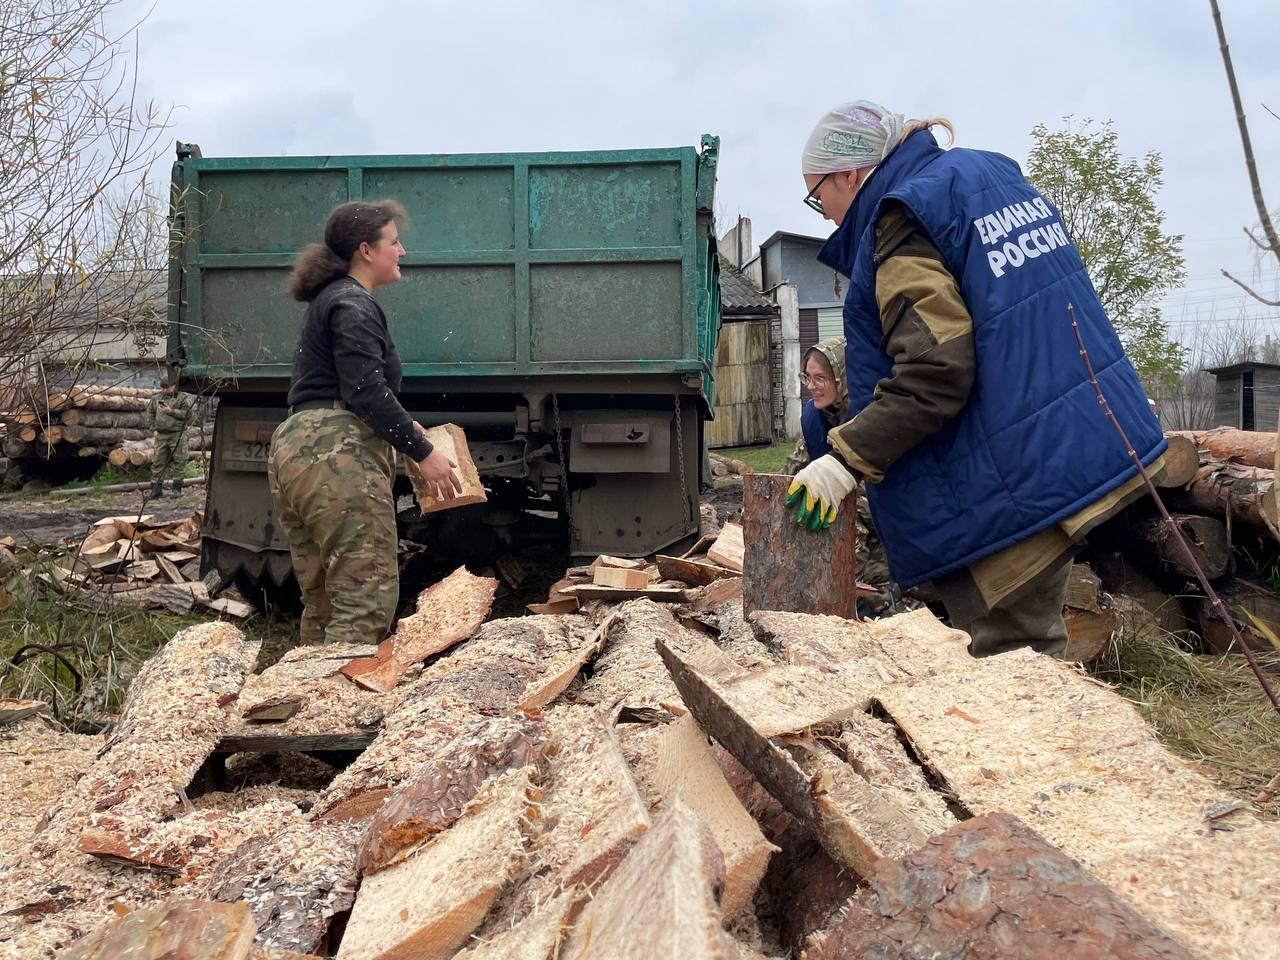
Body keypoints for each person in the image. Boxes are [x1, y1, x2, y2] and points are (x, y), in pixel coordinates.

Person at [786, 101, 1166, 657]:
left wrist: (846, 461)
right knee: (1031, 650)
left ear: (850, 173)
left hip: (1005, 477)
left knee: (1015, 663)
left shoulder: (901, 218)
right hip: (1072, 441)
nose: (822, 213)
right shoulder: (986, 177)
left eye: (818, 195)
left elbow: (937, 369)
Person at [268, 200, 461, 647]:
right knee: (364, 597)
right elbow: (365, 391)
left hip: (300, 445)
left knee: (325, 602)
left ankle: (306, 699)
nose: (403, 251)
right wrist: (425, 454)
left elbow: (350, 388)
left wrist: (402, 425)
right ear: (366, 251)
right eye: (394, 242)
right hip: (336, 454)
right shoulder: (353, 302)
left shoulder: (332, 300)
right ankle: (339, 708)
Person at [783, 338, 904, 617]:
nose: (811, 386)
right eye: (807, 378)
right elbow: (791, 472)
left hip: (885, 523)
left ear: (841, 377)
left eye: (820, 378)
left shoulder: (869, 414)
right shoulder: (817, 417)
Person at [145, 378, 195, 499]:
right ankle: (156, 490)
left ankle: (176, 489)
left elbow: (188, 415)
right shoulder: (156, 398)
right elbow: (150, 413)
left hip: (177, 434)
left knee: (179, 460)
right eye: (163, 388)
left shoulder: (182, 398)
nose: (164, 390)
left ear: (173, 386)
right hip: (161, 435)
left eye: (167, 387)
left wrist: (171, 411)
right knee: (158, 462)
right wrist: (153, 429)